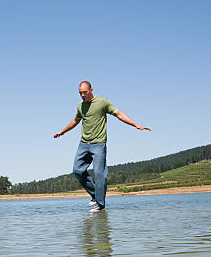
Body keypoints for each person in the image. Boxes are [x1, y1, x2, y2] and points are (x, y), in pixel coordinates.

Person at [54, 81, 151, 212]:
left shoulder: (103, 102)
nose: (82, 95)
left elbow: (119, 114)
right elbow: (75, 120)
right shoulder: (80, 106)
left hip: (98, 144)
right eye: (80, 93)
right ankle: (95, 195)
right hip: (84, 144)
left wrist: (136, 124)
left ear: (91, 90)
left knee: (99, 173)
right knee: (77, 170)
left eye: (84, 92)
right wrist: (62, 132)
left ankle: (100, 204)